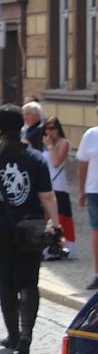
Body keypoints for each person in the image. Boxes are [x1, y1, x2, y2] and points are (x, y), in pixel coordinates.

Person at [0, 104, 60, 354]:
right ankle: (27, 333)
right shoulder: (35, 158)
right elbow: (47, 196)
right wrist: (56, 224)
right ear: (21, 127)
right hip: (32, 226)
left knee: (5, 282)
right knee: (29, 281)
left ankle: (13, 335)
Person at [42, 116, 75, 259]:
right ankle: (48, 247)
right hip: (46, 184)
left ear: (58, 129)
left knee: (60, 217)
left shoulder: (64, 143)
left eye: (52, 129)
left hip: (59, 185)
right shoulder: (44, 143)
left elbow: (56, 161)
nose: (49, 132)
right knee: (46, 217)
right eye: (47, 129)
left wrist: (49, 146)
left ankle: (64, 247)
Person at [77, 105, 98, 290]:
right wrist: (81, 190)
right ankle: (97, 273)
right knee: (96, 231)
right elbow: (83, 164)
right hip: (94, 191)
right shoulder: (91, 135)